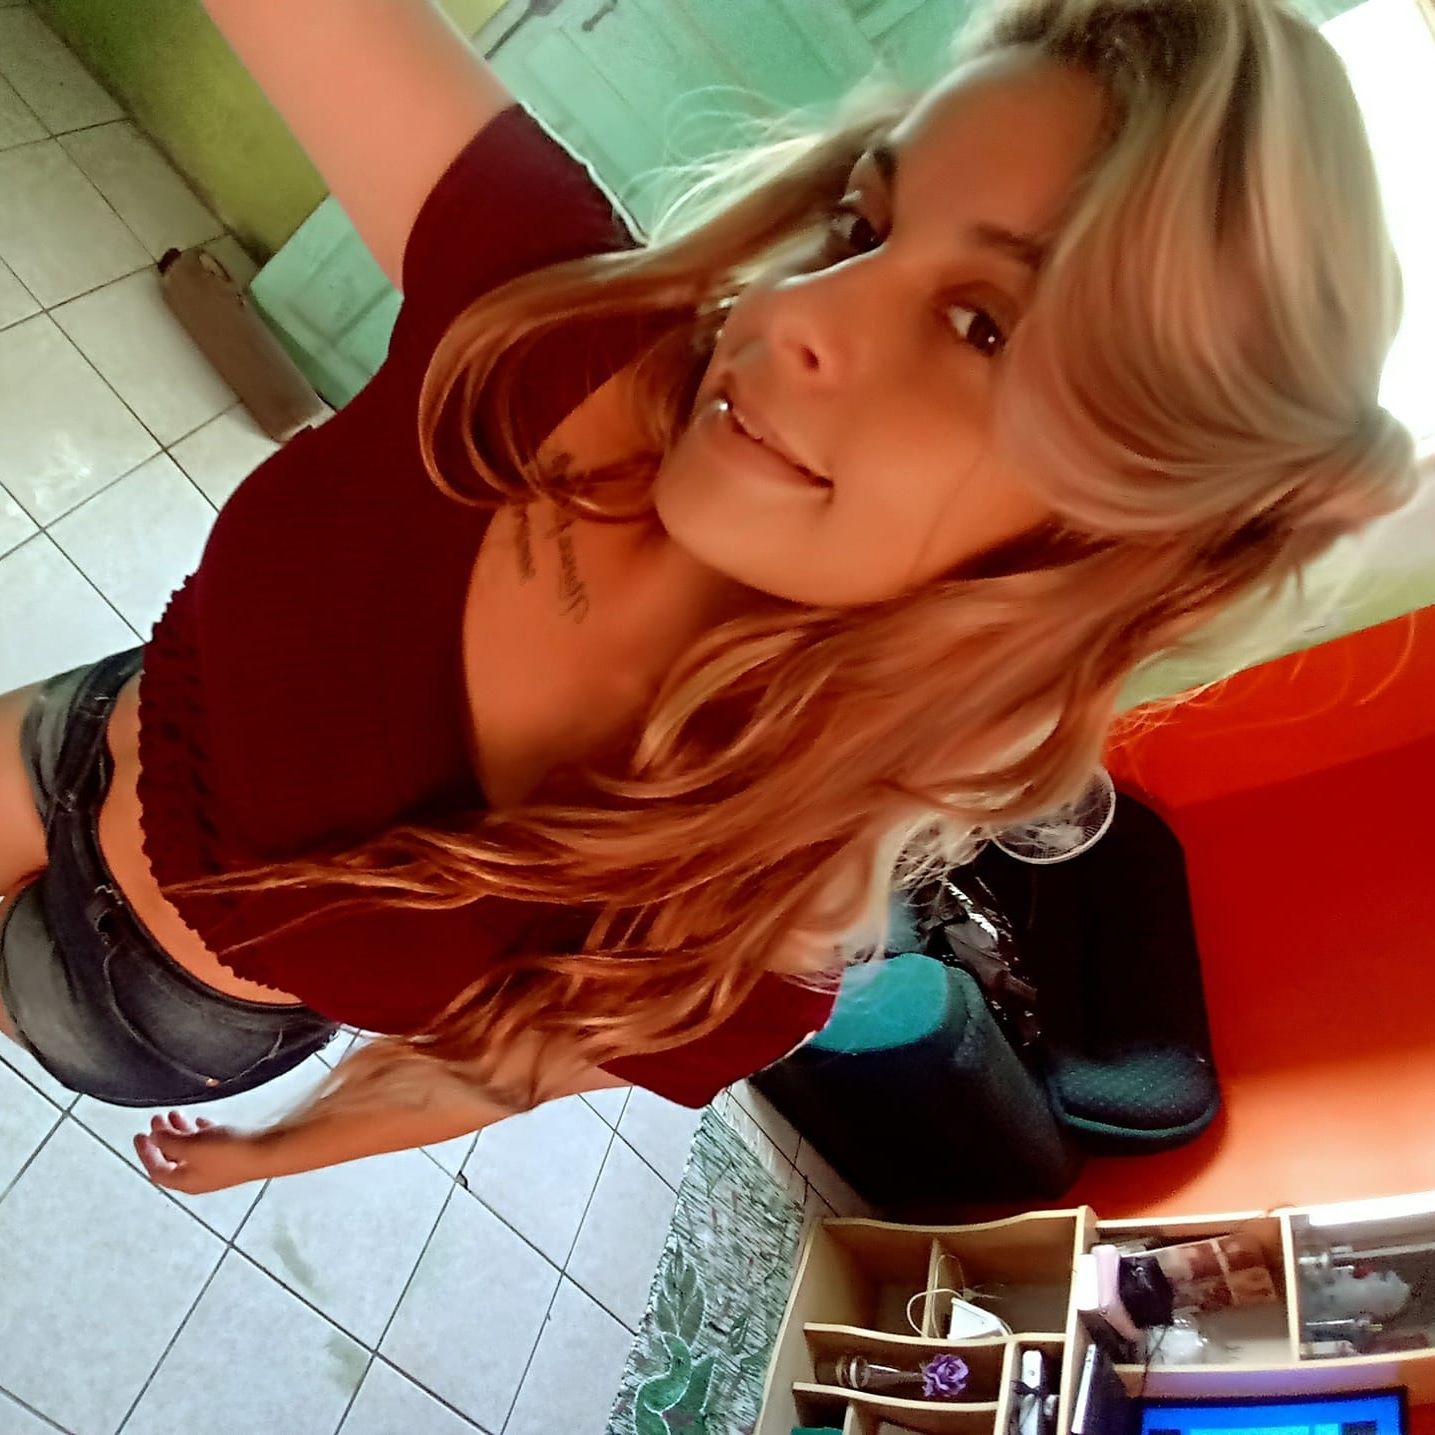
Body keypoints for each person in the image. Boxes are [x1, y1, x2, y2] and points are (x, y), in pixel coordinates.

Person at [0, 0, 1420, 1196]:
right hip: (83, 726)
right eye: (862, 227)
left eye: (980, 325)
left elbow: (487, 1075)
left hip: (152, 1006)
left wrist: (273, 1153)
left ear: (1094, 540)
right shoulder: (564, 326)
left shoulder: (752, 928)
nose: (790, 314)